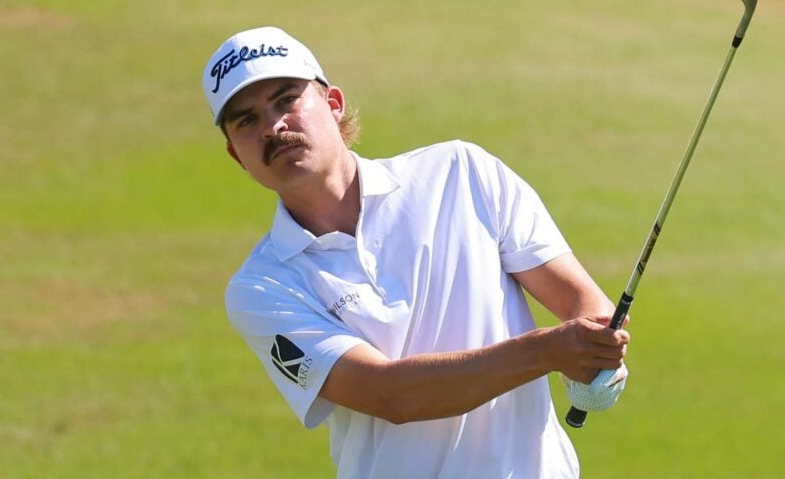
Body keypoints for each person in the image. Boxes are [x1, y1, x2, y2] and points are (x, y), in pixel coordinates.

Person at [202, 26, 630, 478]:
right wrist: (550, 352)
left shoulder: (462, 172)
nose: (273, 127)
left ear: (333, 104)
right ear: (236, 155)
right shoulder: (262, 287)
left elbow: (580, 302)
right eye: (247, 120)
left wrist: (597, 354)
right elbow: (391, 396)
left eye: (287, 99)